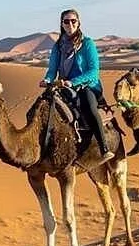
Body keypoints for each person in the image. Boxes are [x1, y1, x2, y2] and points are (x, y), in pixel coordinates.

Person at [40, 9, 115, 163]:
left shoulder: (87, 44)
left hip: (86, 85)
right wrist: (47, 80)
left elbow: (93, 71)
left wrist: (73, 82)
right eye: (66, 21)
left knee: (89, 107)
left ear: (78, 23)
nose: (70, 24)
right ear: (62, 24)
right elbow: (52, 70)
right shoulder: (58, 46)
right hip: (64, 86)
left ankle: (104, 147)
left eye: (73, 21)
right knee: (46, 106)